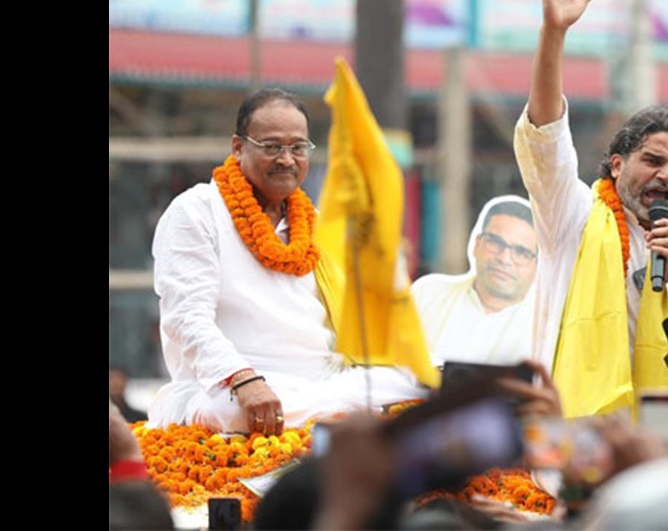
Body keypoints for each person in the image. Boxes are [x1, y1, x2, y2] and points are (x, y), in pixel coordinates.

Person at [514, 0, 668, 417]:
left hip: (663, 438)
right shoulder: (571, 217)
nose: (665, 175)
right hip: (577, 432)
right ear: (616, 164)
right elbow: (545, 137)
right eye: (652, 160)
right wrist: (553, 33)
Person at [147, 88, 425, 436]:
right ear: (238, 147)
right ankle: (335, 415)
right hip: (225, 387)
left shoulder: (314, 223)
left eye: (298, 147)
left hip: (319, 384)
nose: (287, 159)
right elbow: (187, 318)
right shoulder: (196, 212)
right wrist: (242, 379)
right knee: (234, 411)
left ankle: (331, 411)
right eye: (272, 146)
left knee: (416, 383)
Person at [410, 196, 539, 366]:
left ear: (538, 265)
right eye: (496, 243)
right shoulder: (427, 294)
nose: (504, 259)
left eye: (521, 252)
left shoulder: (544, 328)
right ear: (477, 244)